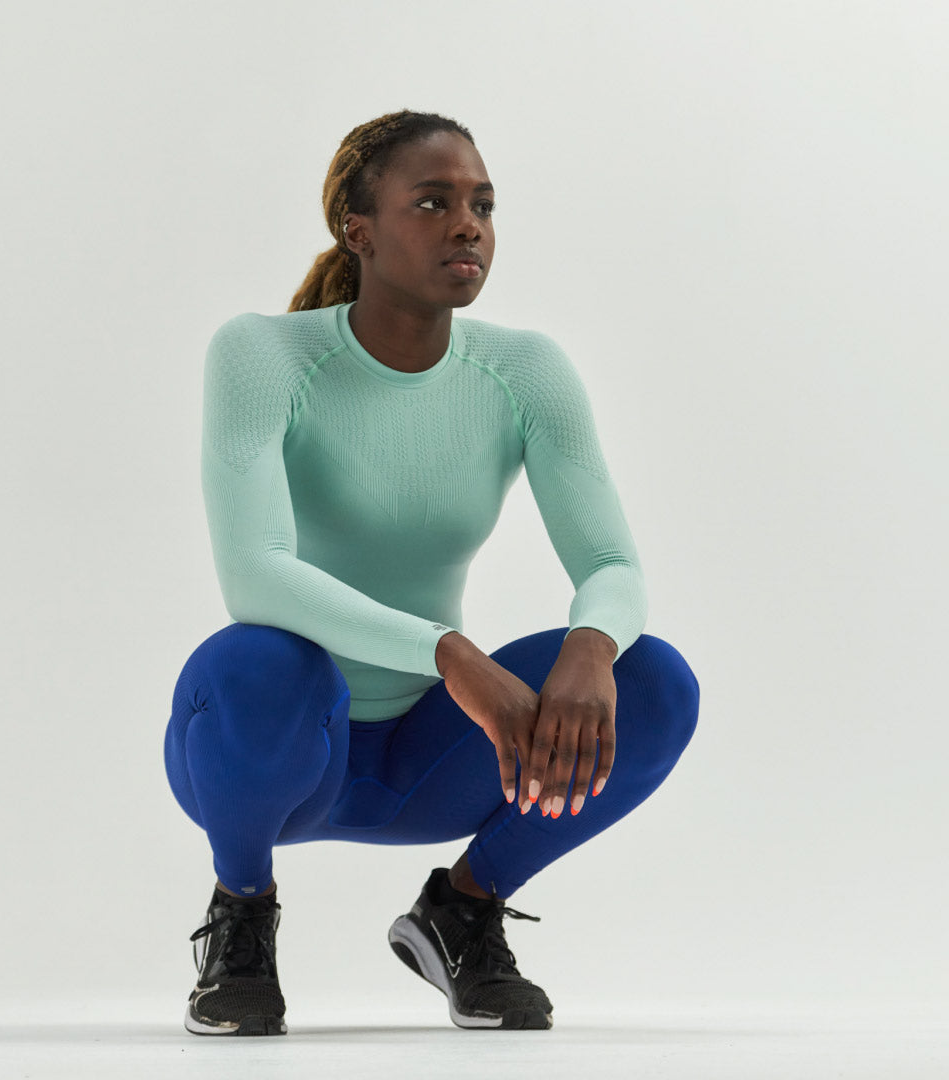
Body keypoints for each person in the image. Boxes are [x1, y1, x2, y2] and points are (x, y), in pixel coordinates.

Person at [164, 109, 699, 1037]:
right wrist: (452, 653)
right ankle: (241, 911)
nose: (469, 225)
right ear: (357, 231)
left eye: (483, 205)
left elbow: (611, 564)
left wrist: (589, 643)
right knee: (259, 659)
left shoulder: (524, 372)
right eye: (434, 202)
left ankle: (463, 910)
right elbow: (257, 575)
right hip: (279, 753)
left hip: (436, 760)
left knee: (651, 679)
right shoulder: (263, 355)